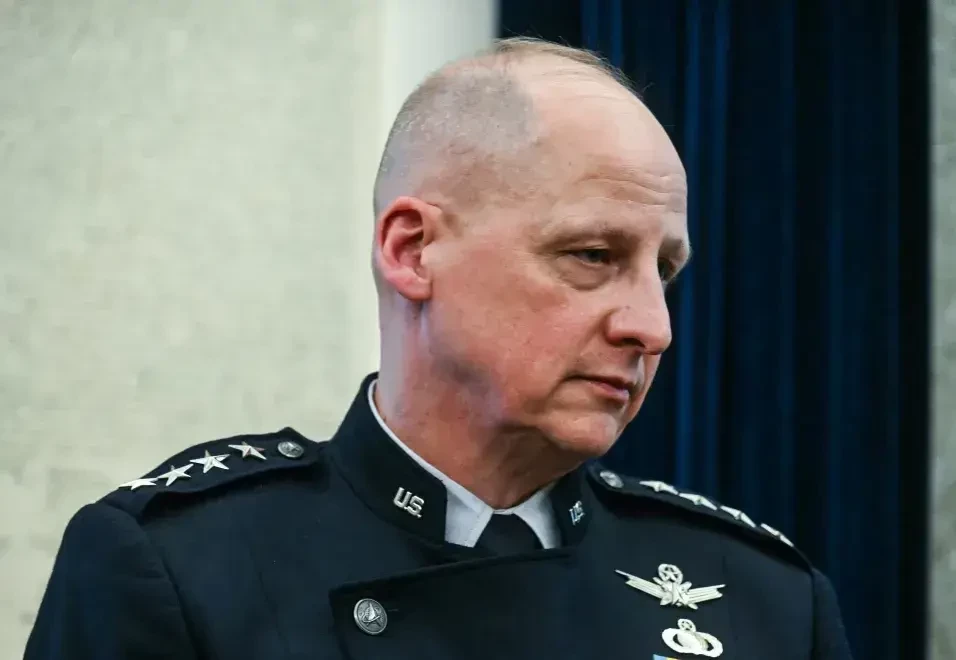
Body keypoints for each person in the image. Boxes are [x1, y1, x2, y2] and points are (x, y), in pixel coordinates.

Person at [24, 38, 854, 660]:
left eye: (663, 271)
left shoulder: (762, 601)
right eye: (592, 255)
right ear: (413, 251)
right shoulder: (182, 570)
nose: (652, 326)